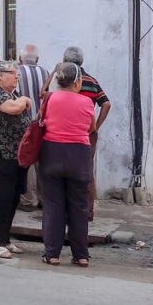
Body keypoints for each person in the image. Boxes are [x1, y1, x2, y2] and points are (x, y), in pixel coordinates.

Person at [43, 46, 111, 222]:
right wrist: (96, 126)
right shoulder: (92, 81)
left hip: (63, 132)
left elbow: (43, 94)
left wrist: (53, 71)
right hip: (87, 132)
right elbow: (106, 103)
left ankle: (65, 211)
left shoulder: (63, 79)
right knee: (86, 172)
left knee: (63, 173)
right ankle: (86, 211)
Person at [39, 62, 96, 267]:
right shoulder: (87, 102)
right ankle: (81, 255)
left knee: (53, 204)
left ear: (58, 80)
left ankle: (52, 254)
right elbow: (92, 127)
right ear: (78, 81)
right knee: (78, 206)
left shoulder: (49, 98)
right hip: (79, 155)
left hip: (52, 152)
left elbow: (41, 120)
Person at [0, 60, 31, 259]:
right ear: (0, 75)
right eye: (13, 73)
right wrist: (25, 99)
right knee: (2, 196)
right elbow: (13, 109)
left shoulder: (13, 94)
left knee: (12, 197)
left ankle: (5, 238)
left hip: (15, 154)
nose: (17, 76)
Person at [16, 44, 50, 210]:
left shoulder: (17, 72)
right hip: (42, 122)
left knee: (27, 159)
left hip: (24, 122)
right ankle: (44, 198)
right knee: (41, 161)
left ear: (20, 58)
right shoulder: (45, 72)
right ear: (37, 59)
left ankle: (29, 199)